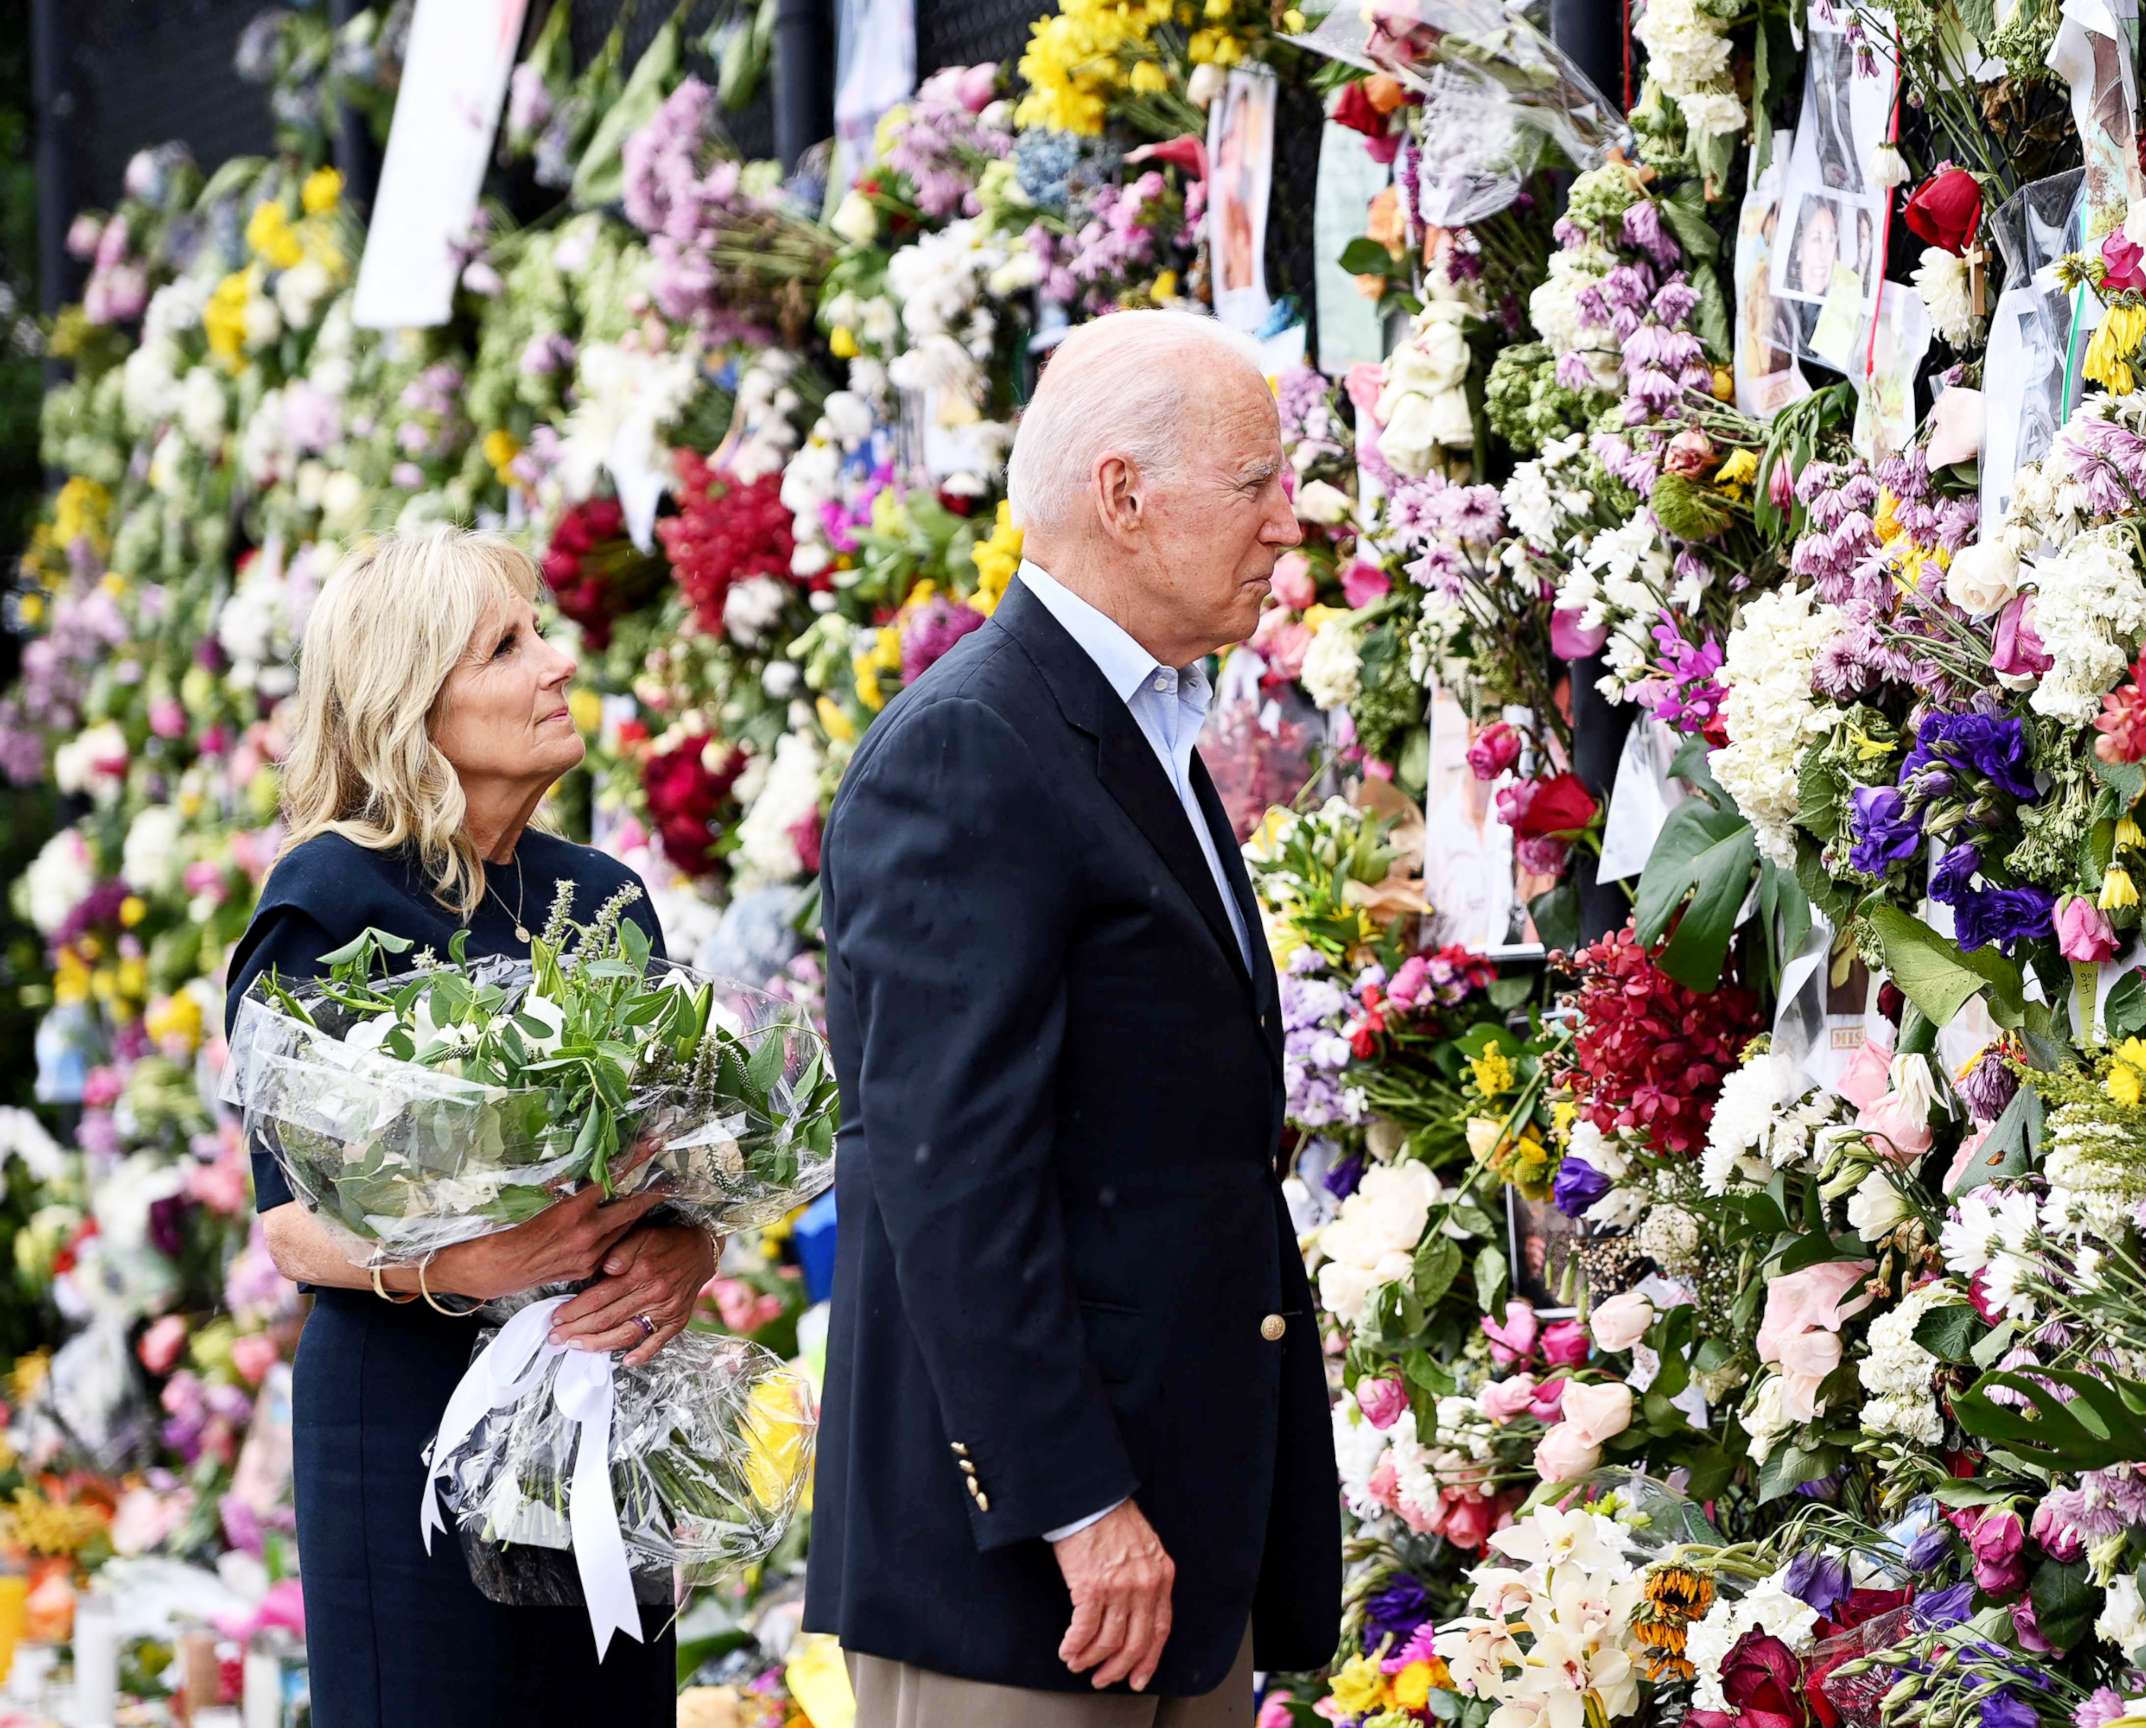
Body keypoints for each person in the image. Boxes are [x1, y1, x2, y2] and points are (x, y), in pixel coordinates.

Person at [806, 308, 1340, 1726]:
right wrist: (1076, 1502)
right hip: (1034, 1583)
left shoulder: (1129, 726)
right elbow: (948, 1174)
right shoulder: (971, 750)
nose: (1291, 520)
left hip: (1168, 1554)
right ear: (1124, 494)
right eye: (1257, 484)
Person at [222, 525, 707, 1725]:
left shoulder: (605, 900)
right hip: (411, 1436)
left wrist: (683, 1251)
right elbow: (292, 1230)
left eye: (540, 631)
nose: (556, 664)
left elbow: (675, 1171)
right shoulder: (330, 900)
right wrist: (472, 1265)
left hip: (604, 1418)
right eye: (507, 646)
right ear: (412, 707)